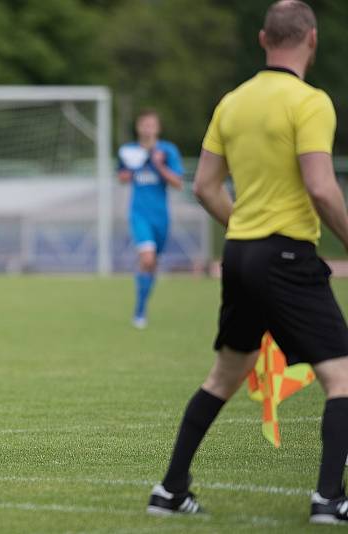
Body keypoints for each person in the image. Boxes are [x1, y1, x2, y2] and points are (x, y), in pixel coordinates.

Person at [147, 1, 348, 524]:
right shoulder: (311, 102)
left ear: (263, 39)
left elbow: (204, 188)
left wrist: (244, 229)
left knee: (225, 376)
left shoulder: (232, 102)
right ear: (312, 40)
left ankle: (170, 490)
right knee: (343, 377)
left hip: (240, 254)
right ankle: (330, 498)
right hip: (286, 253)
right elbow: (322, 188)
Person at [117, 110, 184, 329]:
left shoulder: (167, 151)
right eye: (144, 125)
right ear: (139, 127)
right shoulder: (129, 152)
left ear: (158, 128)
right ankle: (139, 312)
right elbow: (122, 178)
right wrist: (136, 167)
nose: (147, 129)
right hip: (139, 214)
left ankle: (142, 304)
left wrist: (159, 165)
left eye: (151, 125)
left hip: (161, 217)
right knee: (146, 259)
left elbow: (178, 183)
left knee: (152, 264)